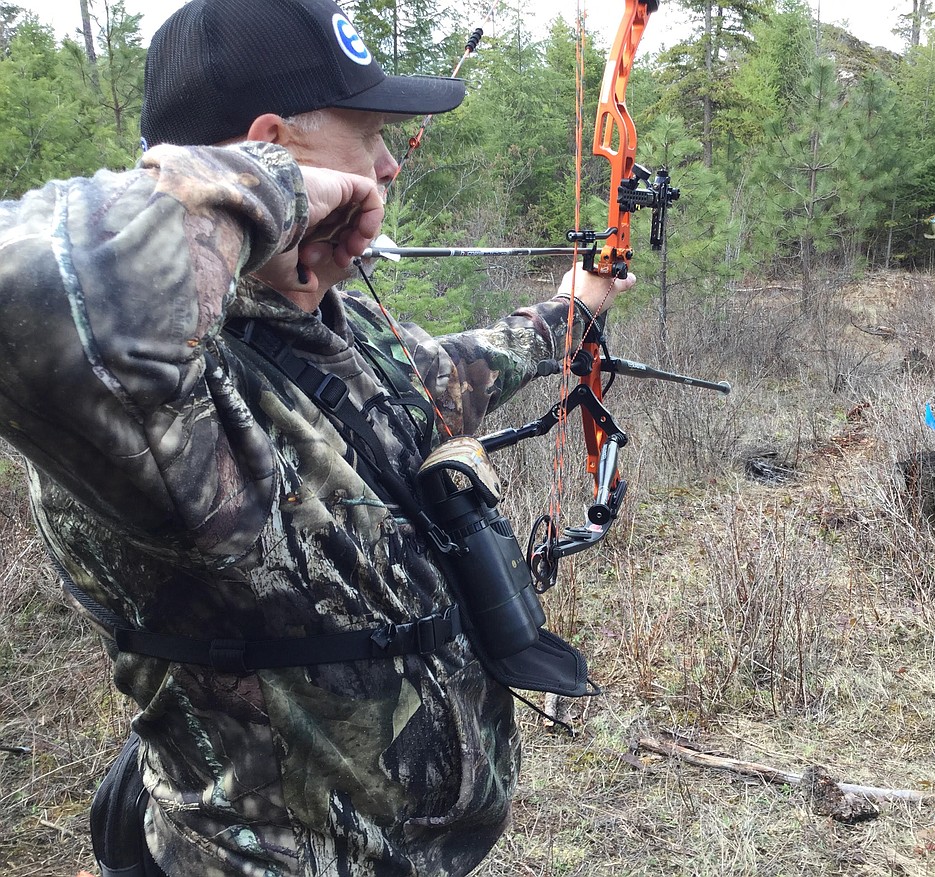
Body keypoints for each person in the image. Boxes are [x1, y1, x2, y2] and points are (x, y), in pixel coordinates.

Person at [0, 0, 633, 874]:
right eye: (369, 136)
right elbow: (24, 287)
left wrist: (573, 309)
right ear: (272, 147)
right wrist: (276, 185)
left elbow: (445, 378)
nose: (386, 167)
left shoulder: (330, 321)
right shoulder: (159, 401)